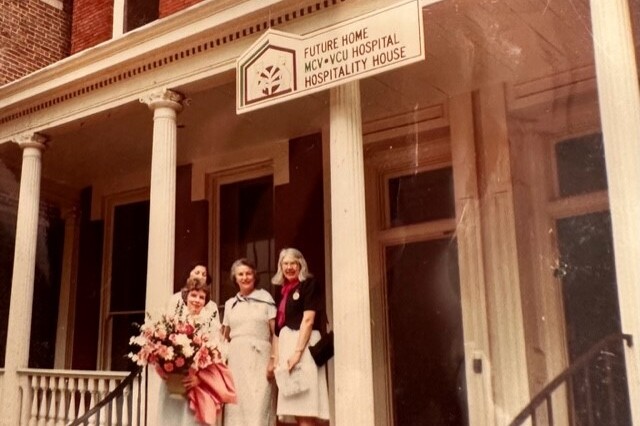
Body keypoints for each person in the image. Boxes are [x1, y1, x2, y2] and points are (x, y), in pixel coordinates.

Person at [158, 277, 236, 426]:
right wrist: (167, 368)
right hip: (174, 381)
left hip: (196, 384)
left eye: (202, 297)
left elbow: (217, 358)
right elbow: (161, 350)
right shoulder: (174, 320)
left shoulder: (210, 325)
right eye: (194, 295)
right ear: (186, 295)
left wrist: (200, 379)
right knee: (171, 419)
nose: (197, 300)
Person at [272, 248, 330, 425]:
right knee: (296, 407)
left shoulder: (308, 285)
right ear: (280, 267)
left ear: (300, 265)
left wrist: (297, 353)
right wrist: (276, 358)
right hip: (288, 345)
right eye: (285, 263)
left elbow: (308, 320)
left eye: (293, 263)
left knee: (306, 407)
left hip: (303, 346)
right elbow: (277, 328)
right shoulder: (283, 291)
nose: (289, 267)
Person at [222, 258, 277, 426]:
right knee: (236, 406)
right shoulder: (230, 304)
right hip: (236, 360)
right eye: (240, 274)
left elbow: (276, 333)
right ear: (235, 278)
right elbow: (224, 336)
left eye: (248, 273)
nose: (245, 277)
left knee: (258, 405)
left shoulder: (265, 298)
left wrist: (273, 360)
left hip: (260, 358)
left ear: (254, 276)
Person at [167, 264, 221, 332]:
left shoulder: (212, 305)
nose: (200, 277)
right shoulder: (175, 299)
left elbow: (215, 330)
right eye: (197, 273)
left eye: (204, 275)